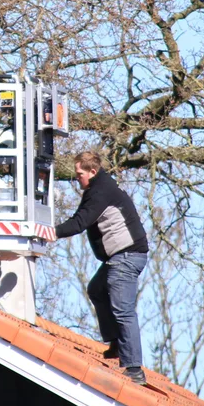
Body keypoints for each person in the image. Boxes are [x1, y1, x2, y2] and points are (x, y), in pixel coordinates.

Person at [54, 152, 149, 385]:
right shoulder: (99, 189)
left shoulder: (100, 191)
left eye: (80, 175)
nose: (77, 180)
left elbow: (79, 222)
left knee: (123, 310)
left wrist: (50, 232)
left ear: (92, 172)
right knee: (96, 289)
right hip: (121, 257)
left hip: (126, 256)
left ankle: (135, 369)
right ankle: (116, 343)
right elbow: (80, 217)